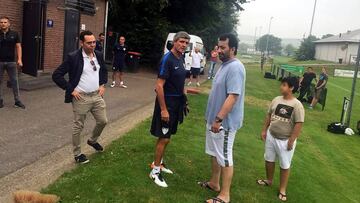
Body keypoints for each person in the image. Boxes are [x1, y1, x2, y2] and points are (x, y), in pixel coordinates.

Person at [198, 33, 245, 203]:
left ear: (233, 49)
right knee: (214, 153)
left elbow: (233, 96)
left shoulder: (235, 67)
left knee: (225, 157)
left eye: (223, 47)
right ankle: (214, 183)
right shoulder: (224, 65)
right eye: (218, 47)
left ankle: (225, 196)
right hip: (214, 120)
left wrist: (218, 120)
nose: (219, 50)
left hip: (224, 123)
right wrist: (211, 118)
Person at [52, 30, 108, 164]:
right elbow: (57, 75)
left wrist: (102, 85)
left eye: (94, 42)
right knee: (78, 126)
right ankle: (77, 154)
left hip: (96, 96)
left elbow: (103, 71)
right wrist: (70, 89)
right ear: (82, 43)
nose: (93, 45)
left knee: (103, 121)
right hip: (80, 98)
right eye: (89, 43)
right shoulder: (74, 57)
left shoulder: (98, 55)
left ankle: (92, 141)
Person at [149, 31, 190, 188]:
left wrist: (184, 101)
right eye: (181, 42)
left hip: (177, 103)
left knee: (168, 136)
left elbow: (181, 82)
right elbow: (159, 86)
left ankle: (158, 163)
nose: (183, 45)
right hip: (167, 103)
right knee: (164, 137)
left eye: (186, 43)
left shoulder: (181, 58)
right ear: (174, 42)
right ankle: (155, 171)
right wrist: (164, 110)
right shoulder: (167, 59)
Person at [257, 77, 304, 202]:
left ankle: (282, 189)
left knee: (284, 165)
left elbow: (299, 123)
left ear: (291, 88)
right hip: (271, 136)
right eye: (281, 84)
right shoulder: (276, 100)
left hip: (285, 140)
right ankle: (269, 180)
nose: (281, 87)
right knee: (269, 160)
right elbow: (269, 115)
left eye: (284, 85)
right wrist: (264, 130)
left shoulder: (297, 105)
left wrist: (292, 140)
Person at [0, 16, 25, 109]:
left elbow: (18, 47)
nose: (3, 24)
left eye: (5, 22)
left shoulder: (15, 34)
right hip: (0, 62)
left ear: (9, 24)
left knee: (14, 81)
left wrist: (19, 59)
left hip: (11, 62)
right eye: (1, 22)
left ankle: (17, 101)